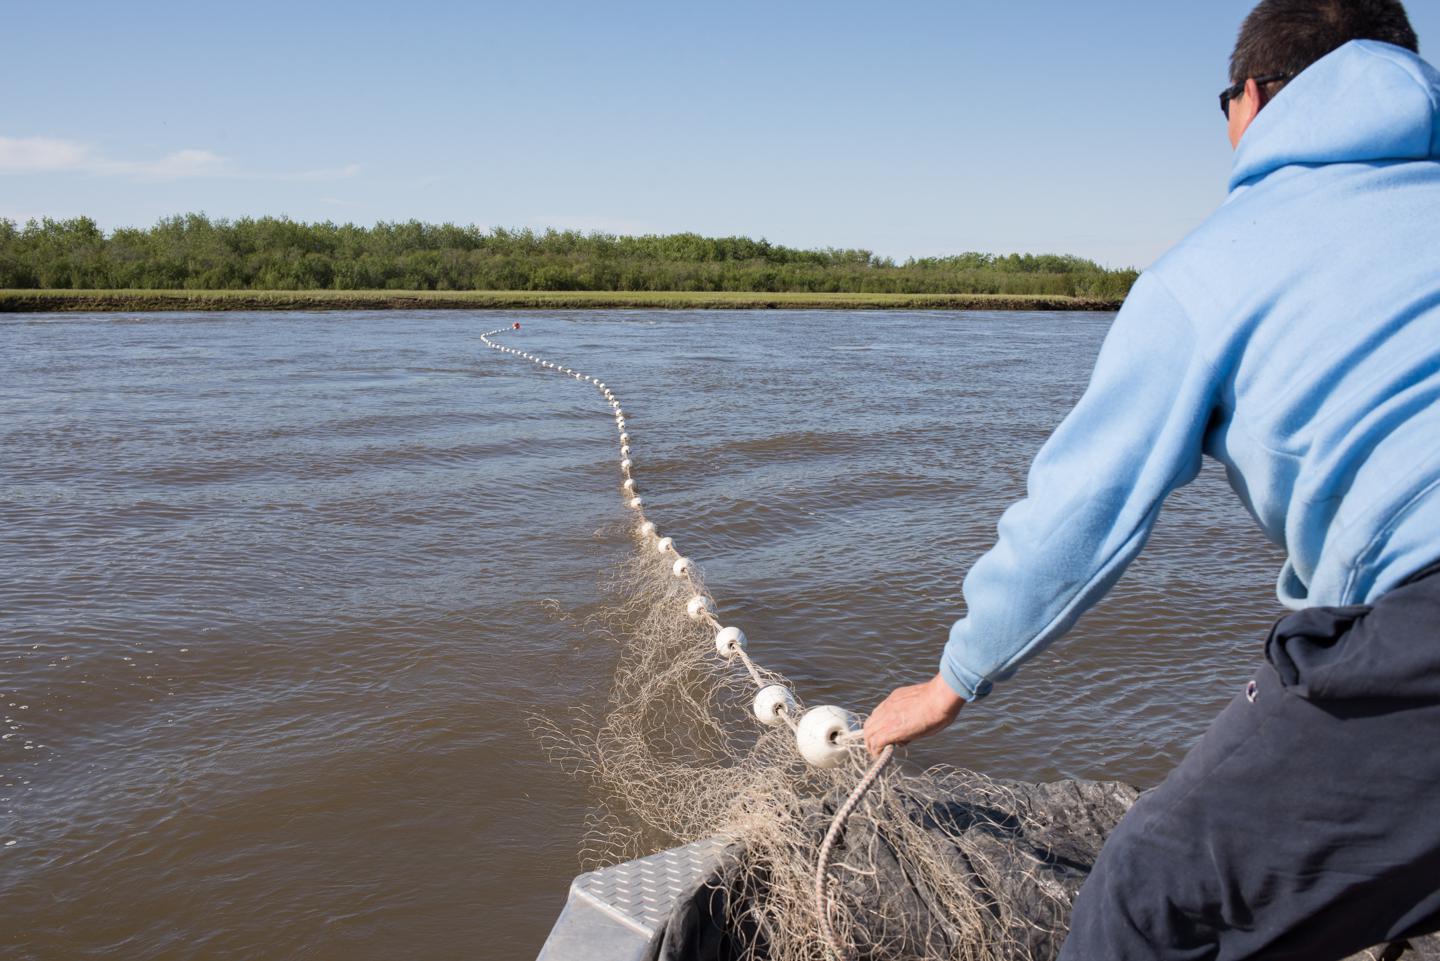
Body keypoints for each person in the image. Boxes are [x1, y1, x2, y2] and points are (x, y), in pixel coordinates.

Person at [862, 0, 1440, 956]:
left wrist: (952, 678)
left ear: (1254, 98)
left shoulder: (1210, 268)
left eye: (1224, 101)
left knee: (1144, 900)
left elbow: (1082, 510)